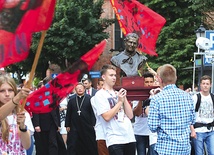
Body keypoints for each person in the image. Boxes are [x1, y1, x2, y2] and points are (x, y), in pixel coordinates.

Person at [148, 64, 195, 155]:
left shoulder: (156, 99)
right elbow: (192, 120)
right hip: (184, 148)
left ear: (160, 80)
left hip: (166, 148)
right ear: (176, 78)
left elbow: (152, 126)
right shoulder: (188, 96)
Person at [94, 64, 136, 155]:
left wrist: (124, 99)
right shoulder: (100, 95)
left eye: (115, 75)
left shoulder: (117, 93)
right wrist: (120, 102)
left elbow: (130, 115)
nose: (114, 78)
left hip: (129, 136)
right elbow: (107, 116)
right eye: (111, 75)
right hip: (115, 138)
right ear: (104, 77)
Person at [0, 75, 34, 154]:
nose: (7, 94)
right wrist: (17, 98)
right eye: (2, 91)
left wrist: (22, 127)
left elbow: (27, 146)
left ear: (14, 92)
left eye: (10, 90)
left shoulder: (23, 114)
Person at [65, 83, 98, 155]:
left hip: (87, 125)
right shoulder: (71, 99)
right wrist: (67, 125)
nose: (79, 89)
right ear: (75, 89)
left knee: (89, 142)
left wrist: (94, 123)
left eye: (81, 88)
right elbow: (68, 113)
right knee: (74, 143)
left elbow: (93, 112)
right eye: (78, 88)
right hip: (74, 125)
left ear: (84, 89)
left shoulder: (89, 98)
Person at [32, 76, 62, 155]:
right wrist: (37, 124)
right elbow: (35, 110)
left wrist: (58, 124)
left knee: (53, 143)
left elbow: (56, 111)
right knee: (43, 144)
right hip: (42, 123)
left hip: (52, 123)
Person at [132, 72, 154, 155]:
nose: (149, 84)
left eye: (151, 82)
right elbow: (136, 113)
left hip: (152, 132)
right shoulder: (137, 95)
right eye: (146, 82)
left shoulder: (156, 94)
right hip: (140, 131)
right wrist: (141, 99)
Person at [192, 75, 214, 155]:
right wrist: (192, 130)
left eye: (207, 84)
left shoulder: (212, 97)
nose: (205, 85)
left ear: (210, 85)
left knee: (212, 152)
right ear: (200, 85)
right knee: (199, 153)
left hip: (211, 130)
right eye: (203, 83)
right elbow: (190, 114)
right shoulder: (195, 97)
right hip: (198, 130)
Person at [91, 78, 109, 155]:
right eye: (100, 85)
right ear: (97, 86)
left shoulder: (112, 95)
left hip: (113, 133)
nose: (102, 87)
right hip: (101, 132)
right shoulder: (94, 99)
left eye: (104, 85)